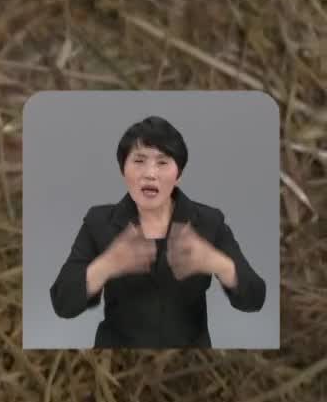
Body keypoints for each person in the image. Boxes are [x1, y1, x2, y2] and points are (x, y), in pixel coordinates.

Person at [47, 115, 266, 347]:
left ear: (178, 173)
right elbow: (63, 304)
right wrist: (107, 264)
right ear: (123, 169)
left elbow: (255, 299)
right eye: (139, 161)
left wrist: (217, 263)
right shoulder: (99, 222)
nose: (150, 173)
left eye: (162, 163)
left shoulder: (209, 222)